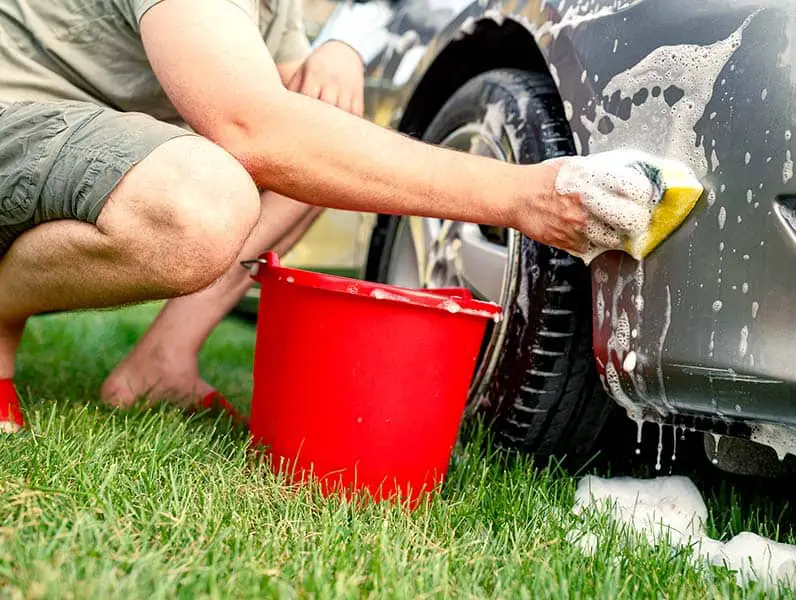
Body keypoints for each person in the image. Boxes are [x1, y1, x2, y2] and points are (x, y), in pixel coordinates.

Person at [0, 0, 596, 432]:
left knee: (322, 128)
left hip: (71, 150)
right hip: (13, 117)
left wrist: (335, 53)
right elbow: (250, 127)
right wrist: (518, 195)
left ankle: (162, 361)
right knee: (202, 204)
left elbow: (301, 126)